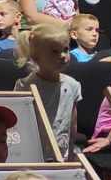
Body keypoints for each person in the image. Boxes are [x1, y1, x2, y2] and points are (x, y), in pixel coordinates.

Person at [14, 24, 80, 158]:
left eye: (65, 50)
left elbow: (72, 124)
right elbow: (19, 122)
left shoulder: (72, 85)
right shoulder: (25, 85)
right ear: (36, 56)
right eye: (54, 52)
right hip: (33, 154)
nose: (63, 56)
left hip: (61, 154)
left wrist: (71, 152)